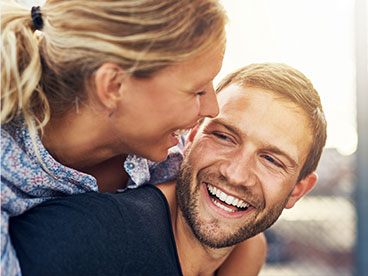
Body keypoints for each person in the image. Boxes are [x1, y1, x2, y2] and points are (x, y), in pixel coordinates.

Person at [9, 63, 327, 275]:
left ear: (298, 189)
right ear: (190, 134)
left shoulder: (246, 249)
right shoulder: (87, 239)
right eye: (224, 137)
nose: (236, 174)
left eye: (271, 160)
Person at [1, 0, 228, 275]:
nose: (212, 109)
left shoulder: (166, 156)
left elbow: (248, 242)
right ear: (113, 86)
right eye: (197, 91)